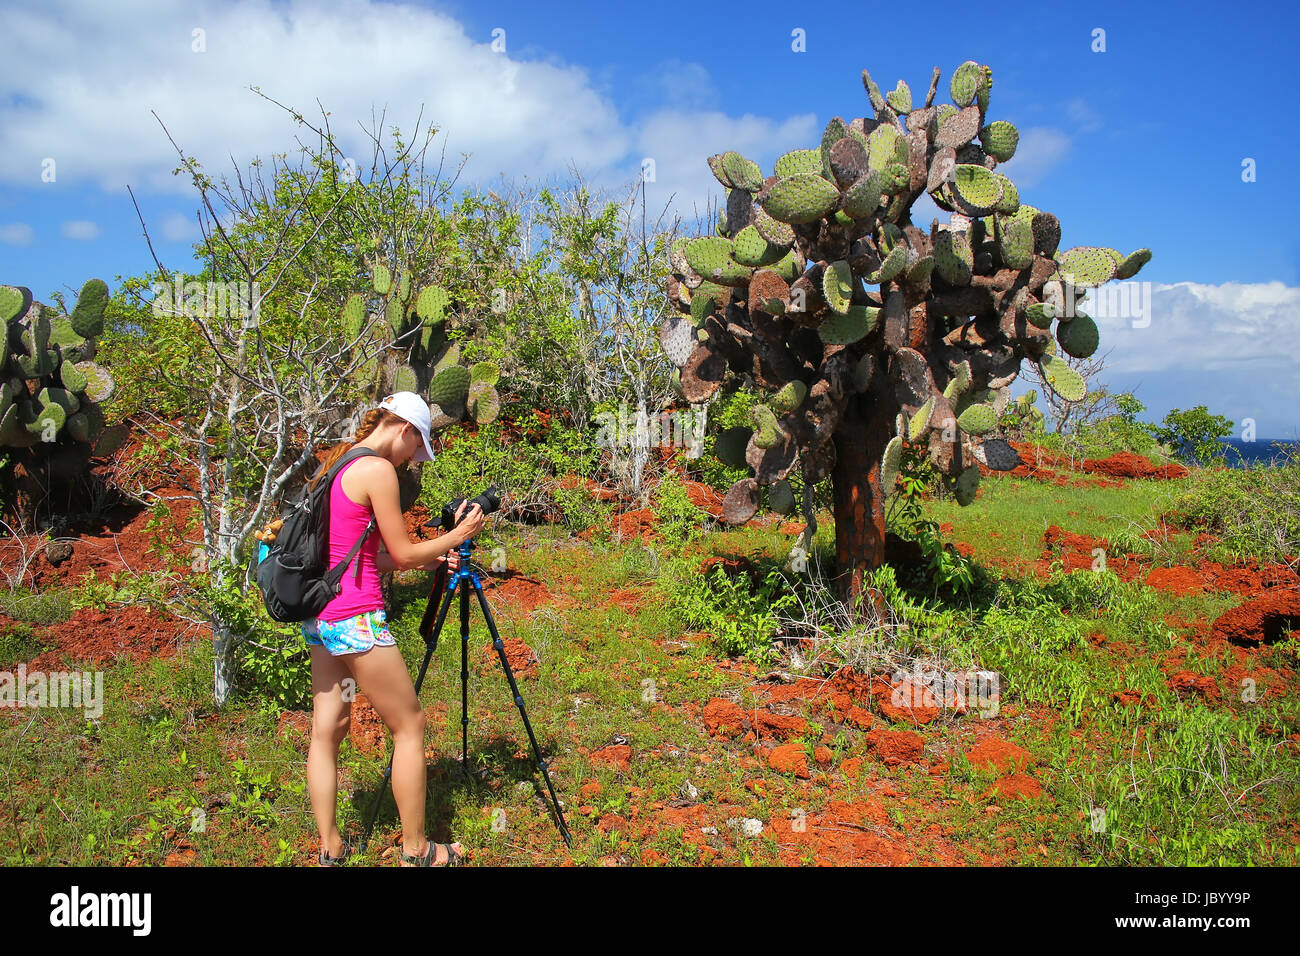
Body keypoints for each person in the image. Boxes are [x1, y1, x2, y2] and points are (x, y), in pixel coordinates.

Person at [301, 391, 484, 867]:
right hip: (356, 620)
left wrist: (426, 558)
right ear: (404, 429)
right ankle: (418, 851)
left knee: (328, 729)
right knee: (409, 726)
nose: (410, 460)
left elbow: (355, 554)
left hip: (321, 620)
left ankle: (331, 848)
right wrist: (457, 536)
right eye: (415, 448)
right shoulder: (379, 471)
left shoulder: (339, 464)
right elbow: (402, 552)